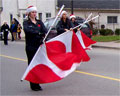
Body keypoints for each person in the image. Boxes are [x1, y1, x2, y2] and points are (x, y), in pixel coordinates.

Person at [23, 6, 47, 91]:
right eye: (32, 12)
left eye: (35, 12)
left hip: (39, 46)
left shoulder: (39, 22)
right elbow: (28, 31)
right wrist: (38, 32)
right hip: (30, 47)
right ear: (29, 13)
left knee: (38, 66)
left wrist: (41, 34)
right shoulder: (26, 23)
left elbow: (45, 30)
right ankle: (33, 84)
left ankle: (37, 83)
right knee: (32, 65)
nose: (34, 14)